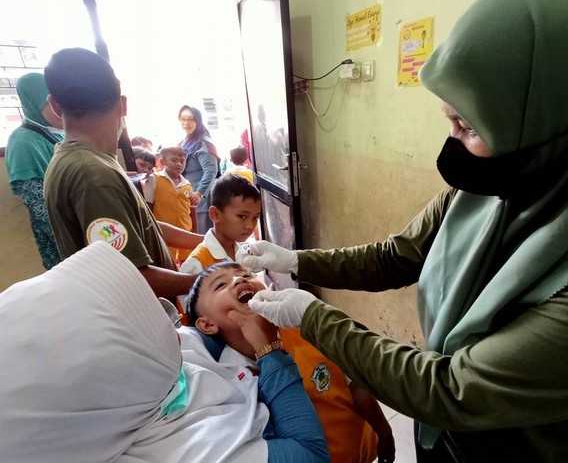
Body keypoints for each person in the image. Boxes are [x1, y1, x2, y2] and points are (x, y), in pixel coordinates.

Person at [236, 0, 568, 462]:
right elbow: (396, 257)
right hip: (446, 436)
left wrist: (315, 319)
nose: (452, 144)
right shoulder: (498, 182)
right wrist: (296, 261)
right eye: (449, 118)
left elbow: (453, 389)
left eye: (467, 126)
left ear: (554, 117)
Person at [0, 241, 329, 463]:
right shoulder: (192, 449)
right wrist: (268, 350)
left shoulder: (138, 383)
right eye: (137, 323)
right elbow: (311, 452)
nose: (167, 318)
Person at [186, 261, 395, 463]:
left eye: (246, 274)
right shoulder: (229, 379)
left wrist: (384, 431)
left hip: (362, 449)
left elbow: (356, 388)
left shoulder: (304, 329)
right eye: (221, 285)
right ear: (207, 324)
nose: (239, 280)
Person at [43, 47, 203, 298]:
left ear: (54, 104)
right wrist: (211, 280)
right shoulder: (93, 175)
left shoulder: (86, 161)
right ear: (123, 104)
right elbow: (131, 278)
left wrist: (207, 241)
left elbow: (144, 226)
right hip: (136, 323)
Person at [178, 174, 261, 313]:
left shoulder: (243, 252)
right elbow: (190, 318)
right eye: (242, 216)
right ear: (215, 215)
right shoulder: (196, 265)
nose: (250, 226)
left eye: (255, 218)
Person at [5, 72, 63, 270]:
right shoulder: (23, 142)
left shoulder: (59, 134)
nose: (60, 107)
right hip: (66, 240)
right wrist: (77, 246)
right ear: (34, 103)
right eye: (51, 102)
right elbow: (42, 210)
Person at [144, 146, 196, 262]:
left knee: (187, 260)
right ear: (162, 162)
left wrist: (194, 231)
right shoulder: (154, 179)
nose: (179, 164)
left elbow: (191, 209)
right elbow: (148, 206)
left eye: (182, 161)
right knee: (167, 259)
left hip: (185, 230)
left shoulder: (186, 184)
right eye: (174, 160)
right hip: (164, 232)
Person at [179, 104, 221, 234]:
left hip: (201, 199)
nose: (186, 123)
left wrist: (199, 193)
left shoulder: (202, 142)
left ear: (198, 121)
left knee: (202, 234)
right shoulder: (187, 140)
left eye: (191, 119)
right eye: (183, 119)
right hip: (190, 196)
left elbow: (210, 171)